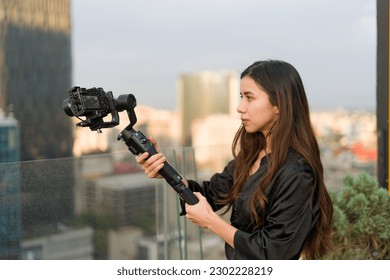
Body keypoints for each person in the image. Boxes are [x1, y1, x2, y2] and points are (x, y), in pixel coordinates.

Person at [136, 59, 333, 260]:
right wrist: (165, 170)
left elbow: (273, 253)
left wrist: (212, 222)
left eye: (249, 98)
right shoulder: (253, 154)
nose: (240, 107)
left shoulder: (297, 173)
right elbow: (210, 195)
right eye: (241, 97)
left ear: (279, 104)